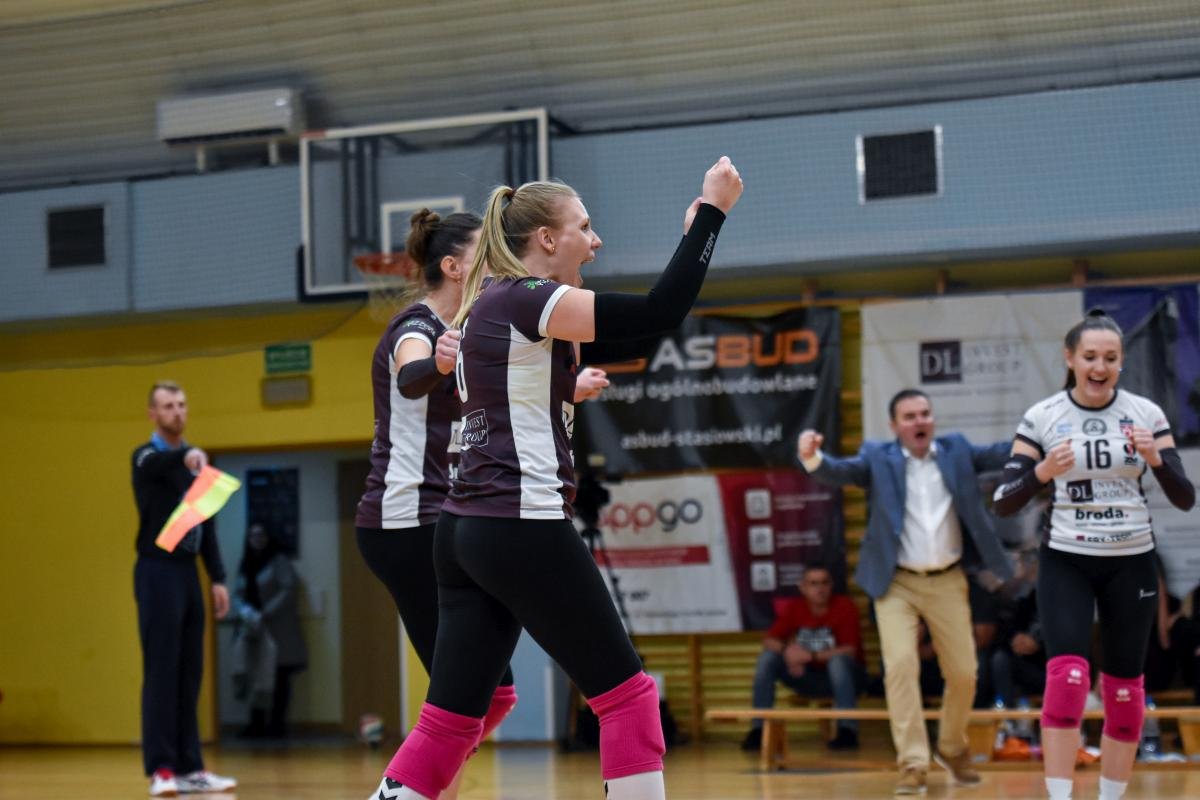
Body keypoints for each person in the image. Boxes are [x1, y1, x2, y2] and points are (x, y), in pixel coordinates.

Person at [368, 156, 743, 800]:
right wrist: (712, 215)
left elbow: (639, 334)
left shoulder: (490, 305)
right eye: (584, 227)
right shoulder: (526, 298)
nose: (596, 241)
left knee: (452, 720)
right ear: (546, 238)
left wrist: (690, 240)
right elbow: (661, 310)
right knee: (628, 698)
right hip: (517, 522)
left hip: (463, 531)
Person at [354, 208, 610, 798]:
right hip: (405, 521)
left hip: (447, 520)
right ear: (453, 266)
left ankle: (413, 788)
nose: (499, 259)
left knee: (493, 694)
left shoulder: (479, 324)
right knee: (468, 698)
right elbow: (411, 375)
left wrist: (569, 388)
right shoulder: (417, 326)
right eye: (485, 252)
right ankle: (411, 789)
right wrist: (436, 362)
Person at [993, 309, 1196, 800]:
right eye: (1089, 357)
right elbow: (1003, 501)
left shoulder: (1146, 413)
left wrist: (1155, 459)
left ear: (1121, 361)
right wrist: (1042, 472)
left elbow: (1185, 496)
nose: (1099, 367)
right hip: (1068, 559)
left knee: (1124, 690)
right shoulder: (1043, 416)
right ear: (1070, 358)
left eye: (1110, 357)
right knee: (1067, 678)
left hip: (1132, 560)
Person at [797, 389, 1012, 795]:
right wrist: (812, 457)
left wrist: (1040, 436)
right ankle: (913, 763)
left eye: (925, 413)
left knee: (965, 672)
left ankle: (951, 746)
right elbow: (839, 472)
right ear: (894, 426)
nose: (919, 421)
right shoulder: (878, 458)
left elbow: (1002, 453)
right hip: (896, 583)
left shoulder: (957, 450)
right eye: (909, 416)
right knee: (899, 666)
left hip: (947, 579)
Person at [131, 381, 236, 796]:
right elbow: (155, 466)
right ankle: (161, 769)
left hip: (187, 574)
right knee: (162, 670)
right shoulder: (146, 456)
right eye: (168, 406)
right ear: (153, 414)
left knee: (190, 672)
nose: (177, 411)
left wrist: (218, 577)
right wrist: (185, 458)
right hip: (156, 572)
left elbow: (204, 524)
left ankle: (190, 766)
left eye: (181, 404)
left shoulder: (195, 465)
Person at [741, 562, 865, 752]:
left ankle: (847, 731)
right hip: (807, 676)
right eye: (813, 583)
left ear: (831, 586)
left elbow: (849, 650)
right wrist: (789, 652)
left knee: (838, 662)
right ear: (803, 587)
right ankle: (759, 730)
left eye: (824, 583)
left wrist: (810, 656)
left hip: (847, 679)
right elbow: (769, 639)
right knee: (768, 658)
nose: (820, 589)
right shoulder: (795, 607)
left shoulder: (845, 606)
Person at [231, 522, 307, 738]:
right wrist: (245, 611)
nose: (257, 539)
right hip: (251, 629)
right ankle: (256, 724)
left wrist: (266, 612)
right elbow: (237, 593)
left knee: (280, 679)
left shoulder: (279, 561)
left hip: (277, 631)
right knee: (254, 677)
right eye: (252, 535)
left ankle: (277, 725)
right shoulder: (246, 563)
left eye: (261, 535)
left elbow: (288, 589)